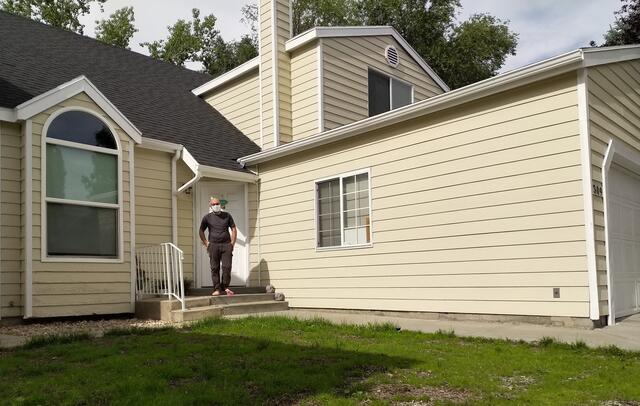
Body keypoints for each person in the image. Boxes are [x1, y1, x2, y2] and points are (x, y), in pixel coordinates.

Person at [199, 197, 237, 296]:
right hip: (213, 246)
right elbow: (201, 230)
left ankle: (225, 287)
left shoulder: (227, 216)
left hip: (226, 245)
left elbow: (233, 228)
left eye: (217, 204)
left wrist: (232, 243)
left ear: (220, 205)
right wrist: (206, 242)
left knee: (227, 267)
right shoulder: (207, 217)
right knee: (215, 268)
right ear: (210, 206)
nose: (216, 206)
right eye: (214, 204)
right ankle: (217, 289)